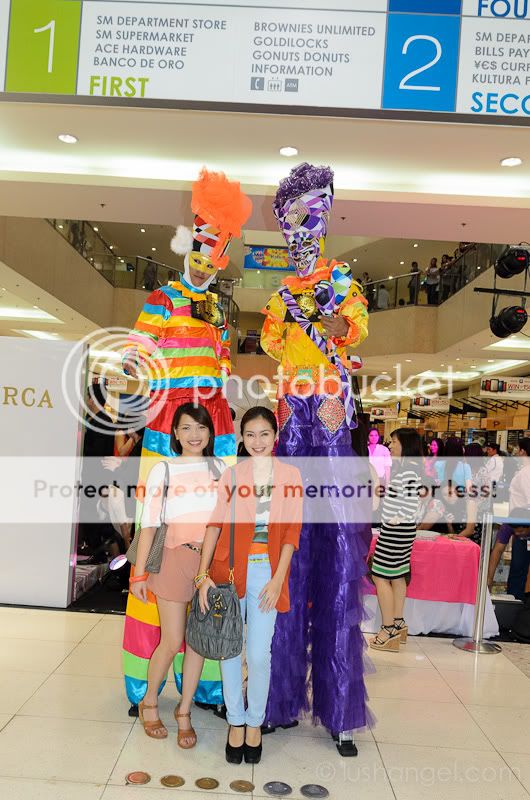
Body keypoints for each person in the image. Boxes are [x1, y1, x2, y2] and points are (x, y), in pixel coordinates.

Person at [122, 169, 252, 710]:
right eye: (198, 255)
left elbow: (222, 359)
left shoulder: (218, 308)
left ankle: (206, 678)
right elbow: (137, 347)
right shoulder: (162, 297)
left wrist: (221, 385)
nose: (203, 265)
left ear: (219, 262)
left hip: (213, 421)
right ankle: (144, 677)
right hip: (167, 422)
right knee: (155, 528)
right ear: (188, 251)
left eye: (212, 259)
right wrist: (137, 370)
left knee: (212, 528)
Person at [260, 162, 371, 755]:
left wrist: (332, 316)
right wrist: (291, 322)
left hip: (328, 409)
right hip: (291, 413)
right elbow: (271, 341)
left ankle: (339, 709)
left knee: (335, 547)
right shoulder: (279, 294)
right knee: (287, 545)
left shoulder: (342, 280)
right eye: (294, 221)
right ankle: (277, 700)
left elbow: (357, 329)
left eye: (311, 218)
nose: (302, 232)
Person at [196, 407, 302, 765]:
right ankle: (236, 721)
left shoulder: (290, 476)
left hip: (266, 574)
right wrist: (202, 575)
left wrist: (277, 579)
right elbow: (214, 525)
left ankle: (254, 721)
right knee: (229, 649)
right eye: (251, 435)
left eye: (264, 434)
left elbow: (291, 533)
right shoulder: (232, 475)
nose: (258, 442)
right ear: (242, 438)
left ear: (276, 436)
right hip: (228, 573)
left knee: (258, 655)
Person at [128, 403, 224, 745]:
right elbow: (149, 524)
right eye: (186, 428)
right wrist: (138, 575)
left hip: (210, 565)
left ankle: (184, 710)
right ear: (175, 433)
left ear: (210, 432)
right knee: (171, 641)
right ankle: (149, 702)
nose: (194, 435)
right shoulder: (164, 469)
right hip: (173, 559)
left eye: (200, 427)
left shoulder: (221, 469)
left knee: (197, 644)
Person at [370, 428, 423, 651]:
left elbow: (410, 504)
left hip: (396, 532)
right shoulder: (410, 469)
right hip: (403, 531)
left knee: (380, 575)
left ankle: (388, 629)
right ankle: (398, 623)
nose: (390, 446)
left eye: (393, 442)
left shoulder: (407, 472)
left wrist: (394, 520)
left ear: (405, 445)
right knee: (398, 575)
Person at [487, 508, 530, 600]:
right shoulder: (507, 526)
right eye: (514, 531)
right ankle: (515, 599)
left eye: (521, 531)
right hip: (523, 541)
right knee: (517, 566)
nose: (517, 533)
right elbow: (497, 550)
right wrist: (489, 579)